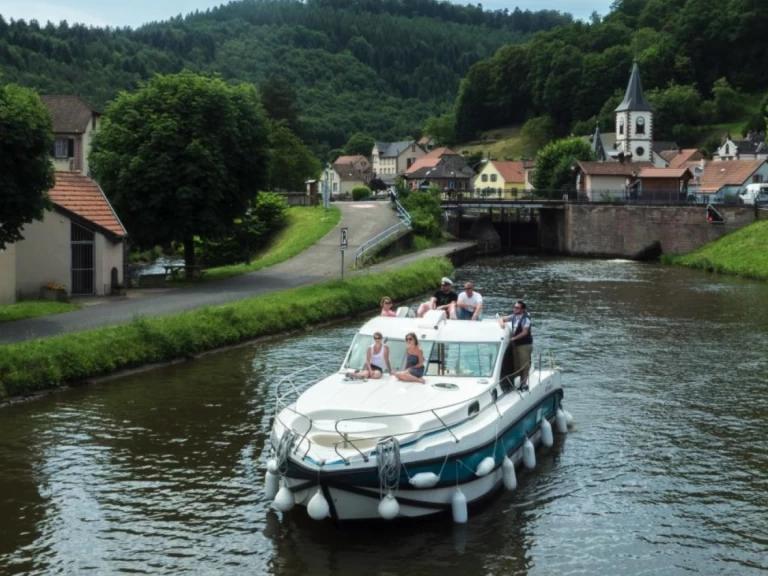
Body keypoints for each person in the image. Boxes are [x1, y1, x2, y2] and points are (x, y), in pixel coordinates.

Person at [498, 300, 533, 389]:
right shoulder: (513, 316)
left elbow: (524, 332)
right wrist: (502, 323)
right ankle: (520, 382)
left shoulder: (526, 319)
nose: (515, 309)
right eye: (514, 307)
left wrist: (513, 338)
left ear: (522, 309)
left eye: (517, 308)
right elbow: (502, 318)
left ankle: (524, 384)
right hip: (516, 345)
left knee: (524, 365)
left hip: (524, 345)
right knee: (517, 364)